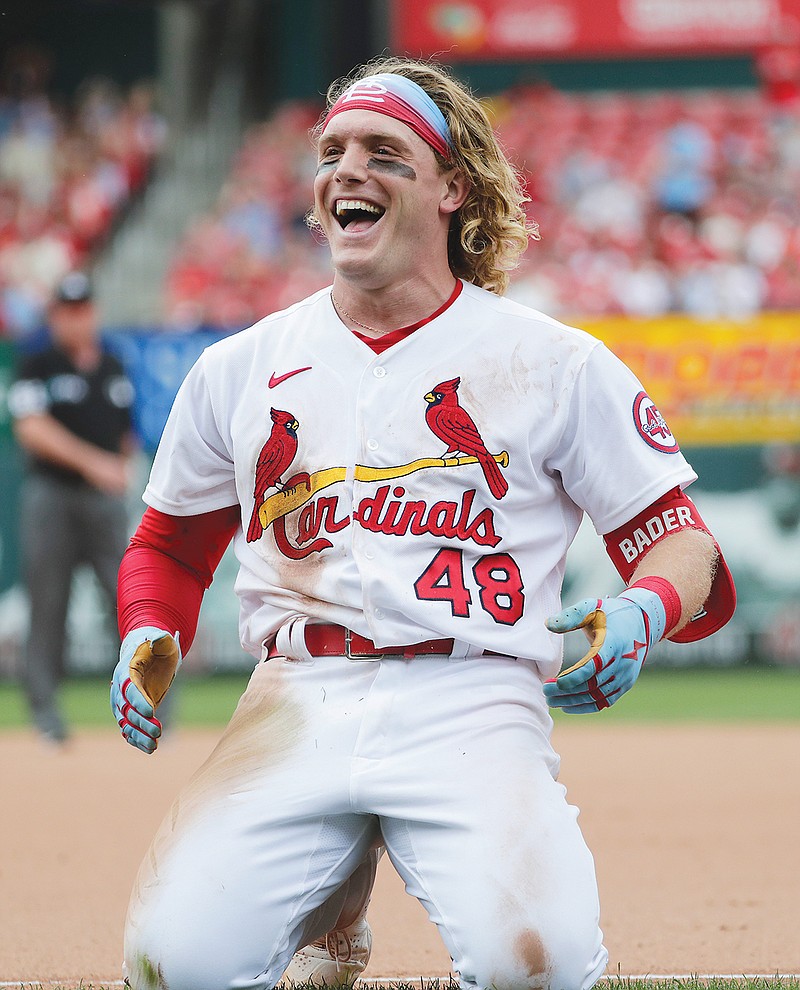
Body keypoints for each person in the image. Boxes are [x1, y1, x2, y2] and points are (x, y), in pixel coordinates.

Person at [111, 58, 736, 990]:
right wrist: (146, 628)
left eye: (384, 153)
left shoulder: (552, 361)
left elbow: (685, 544)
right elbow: (168, 545)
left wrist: (646, 608)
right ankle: (333, 909)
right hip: (297, 693)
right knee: (174, 967)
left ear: (453, 187)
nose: (347, 170)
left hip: (471, 698)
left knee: (543, 971)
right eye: (332, 153)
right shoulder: (240, 366)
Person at [8, 270, 135, 745]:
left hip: (103, 502)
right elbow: (30, 428)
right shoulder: (37, 362)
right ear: (56, 316)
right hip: (52, 497)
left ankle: (144, 703)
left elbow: (126, 432)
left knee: (125, 598)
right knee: (48, 603)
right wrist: (94, 463)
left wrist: (119, 464)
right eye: (68, 311)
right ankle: (45, 714)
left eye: (84, 310)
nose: (78, 319)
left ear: (94, 312)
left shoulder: (113, 364)